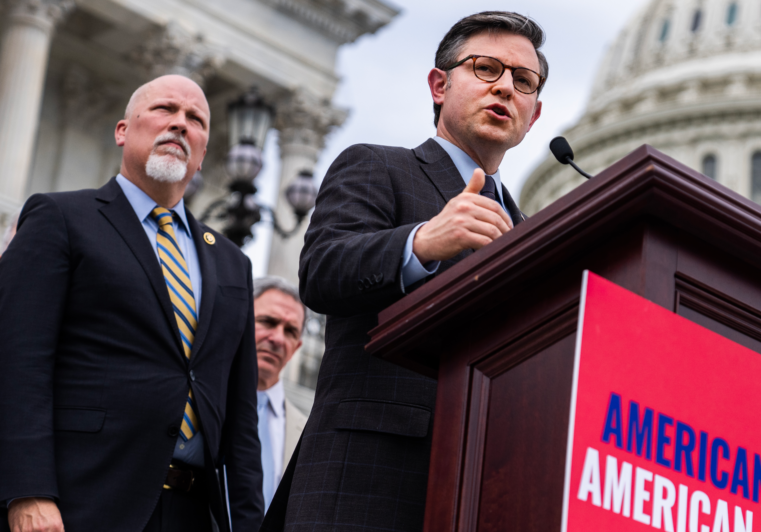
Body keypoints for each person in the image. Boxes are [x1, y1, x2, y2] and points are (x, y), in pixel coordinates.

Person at [261, 11, 546, 531]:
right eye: (486, 69)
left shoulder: (532, 234)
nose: (505, 87)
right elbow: (322, 271)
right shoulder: (377, 166)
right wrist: (421, 243)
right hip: (369, 484)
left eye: (522, 81)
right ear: (439, 85)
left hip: (485, 489)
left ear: (536, 112)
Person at [0, 75, 263, 532]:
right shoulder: (60, 218)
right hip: (78, 503)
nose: (180, 124)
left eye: (196, 119)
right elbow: (17, 363)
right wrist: (28, 491)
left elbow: (240, 419)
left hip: (191, 513)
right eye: (165, 109)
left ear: (201, 156)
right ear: (123, 130)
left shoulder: (232, 263)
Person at [251, 277, 309, 512]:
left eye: (290, 331)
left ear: (296, 347)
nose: (277, 338)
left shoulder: (308, 432)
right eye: (267, 321)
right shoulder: (197, 406)